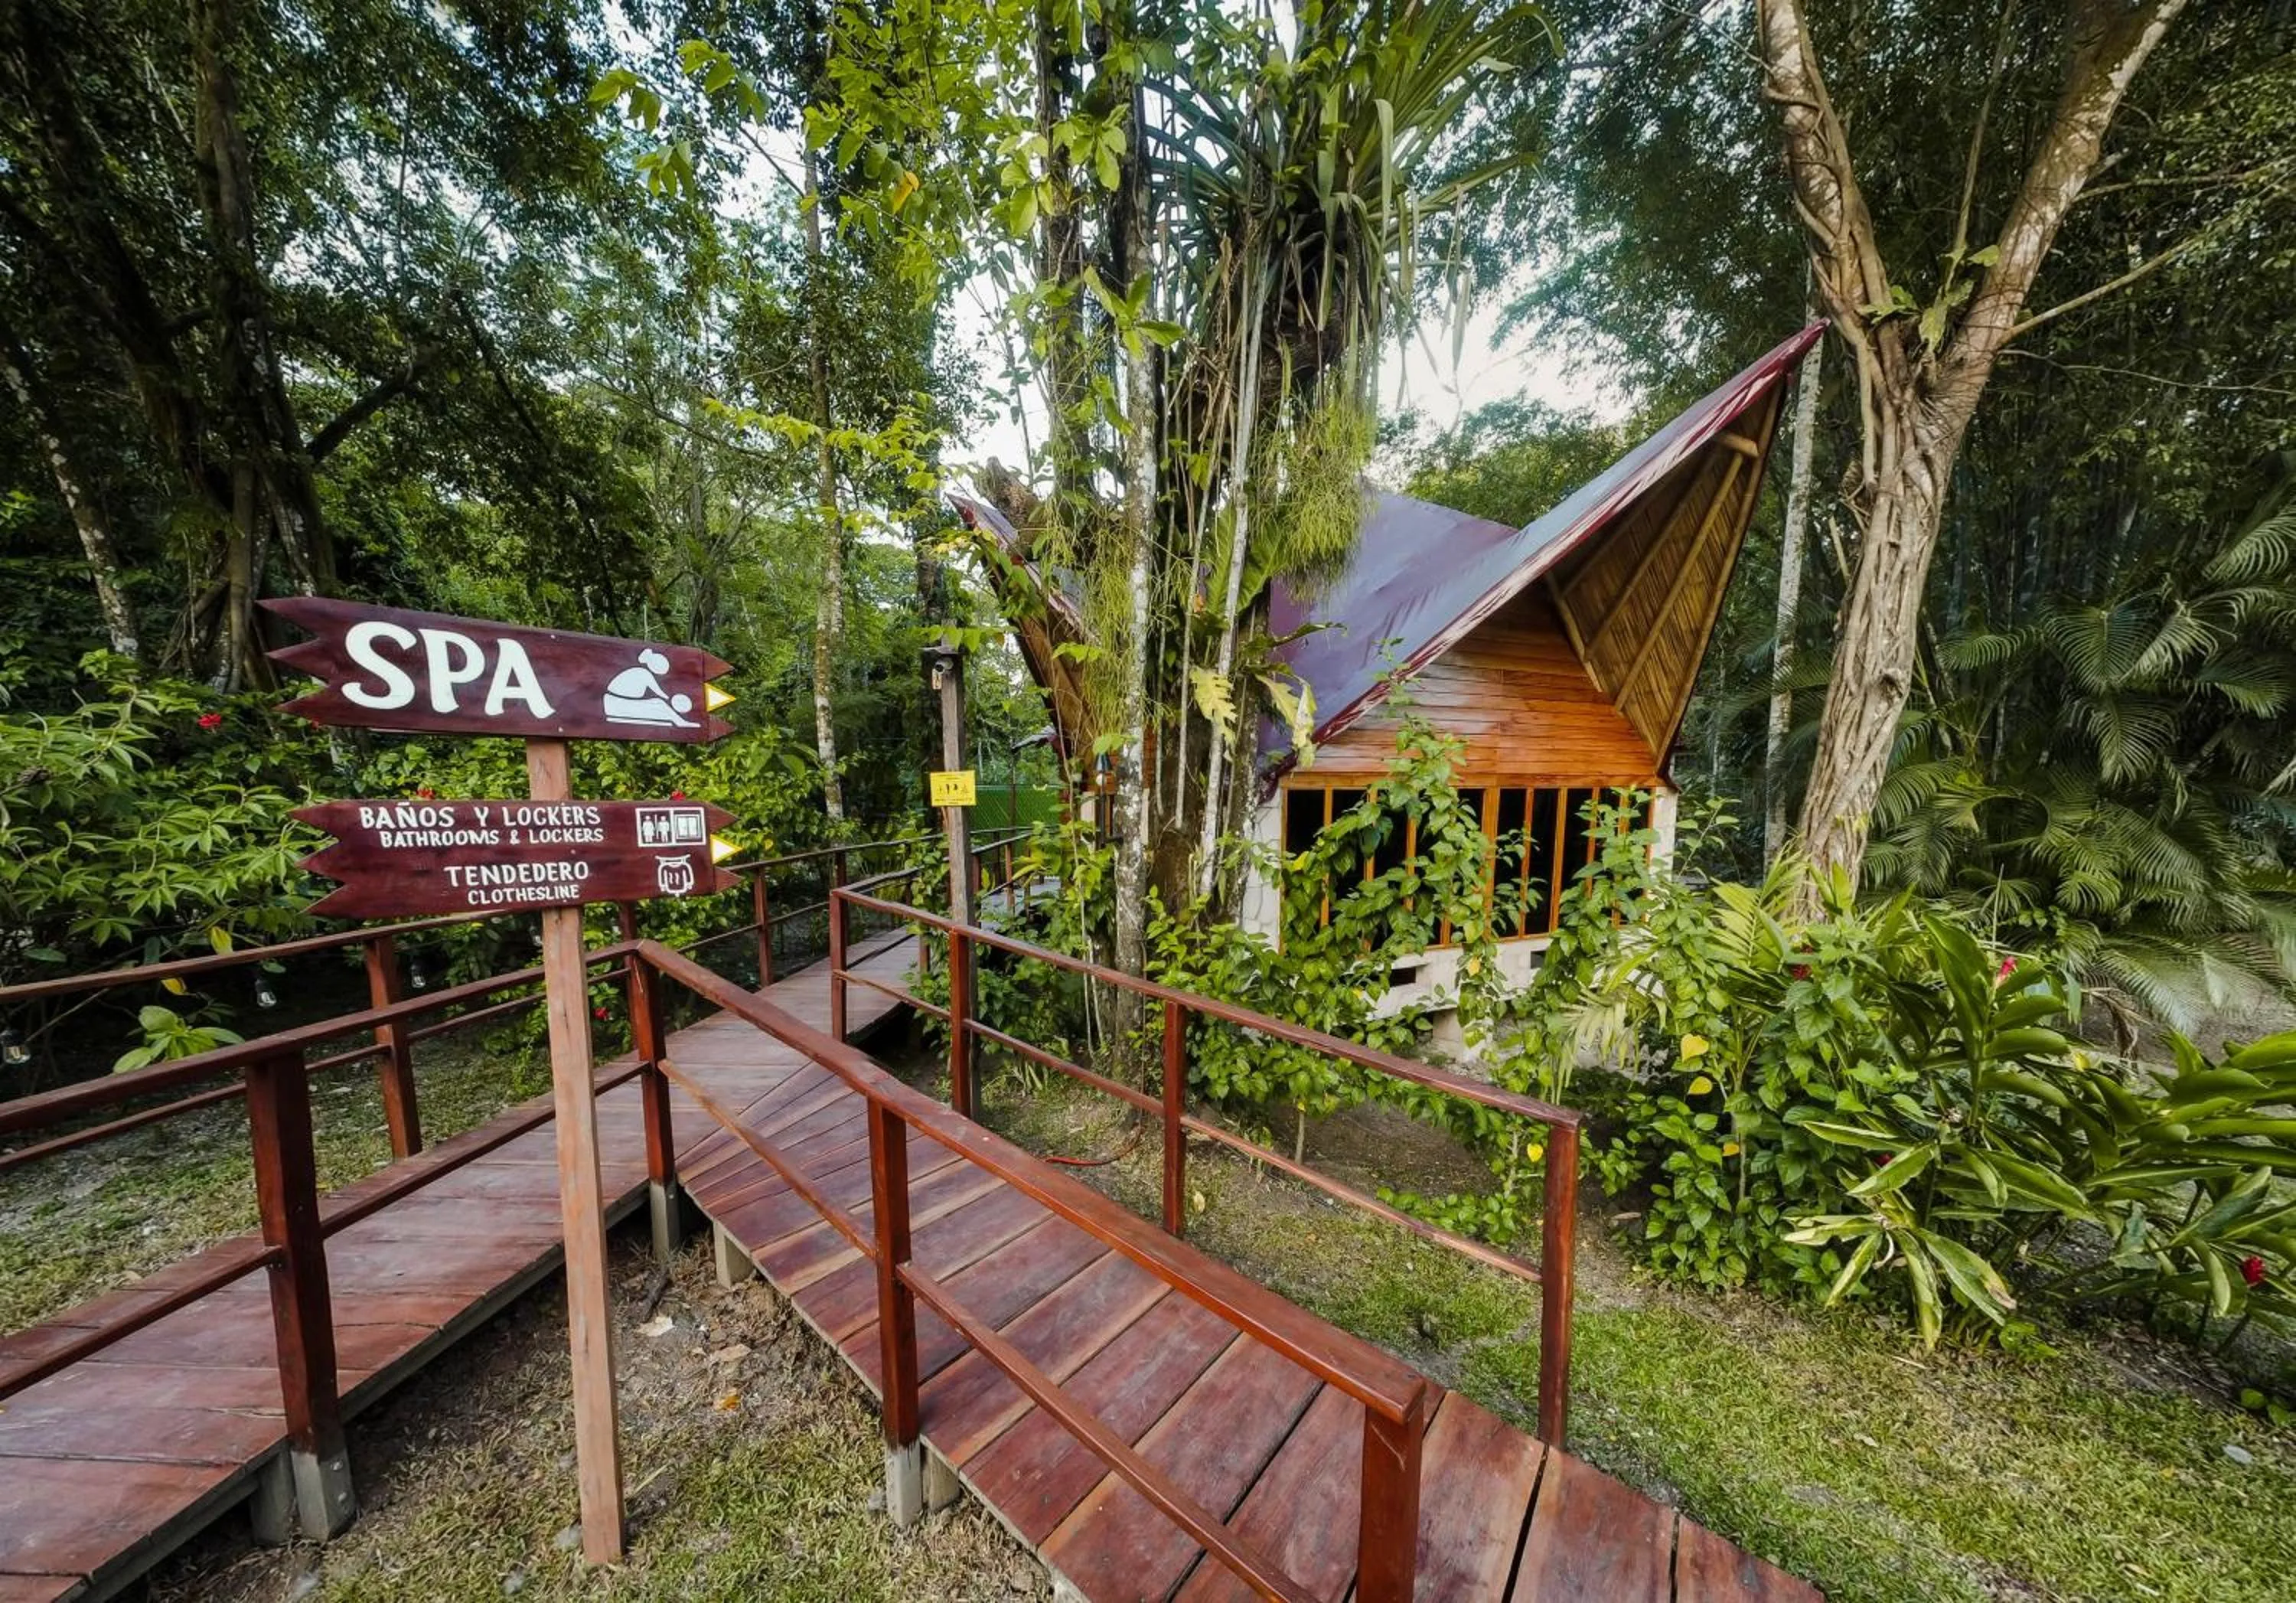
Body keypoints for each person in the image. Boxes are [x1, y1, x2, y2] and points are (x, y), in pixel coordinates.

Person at [603, 649, 697, 728]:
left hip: (614, 702)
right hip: (618, 704)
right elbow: (659, 693)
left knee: (657, 703)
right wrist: (672, 700)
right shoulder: (644, 674)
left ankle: (678, 720)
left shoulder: (639, 671)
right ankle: (679, 721)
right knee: (659, 703)